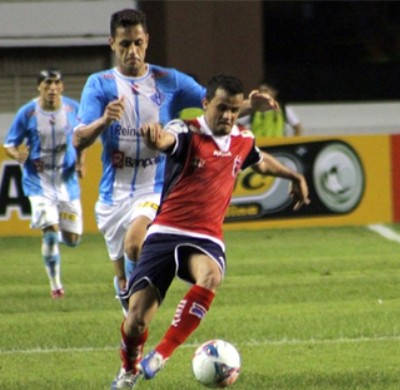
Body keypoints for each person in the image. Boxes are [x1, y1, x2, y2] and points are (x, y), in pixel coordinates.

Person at [110, 74, 310, 389]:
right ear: (205, 104)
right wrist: (154, 139)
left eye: (234, 109)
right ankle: (129, 368)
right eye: (221, 108)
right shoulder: (185, 130)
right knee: (135, 322)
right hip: (165, 230)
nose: (228, 116)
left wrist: (293, 176)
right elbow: (165, 140)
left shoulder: (243, 139)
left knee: (211, 276)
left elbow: (261, 162)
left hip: (205, 237)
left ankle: (162, 353)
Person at [72, 8, 276, 313]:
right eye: (125, 44)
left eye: (138, 43)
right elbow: (78, 139)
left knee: (134, 244)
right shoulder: (99, 85)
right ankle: (130, 304)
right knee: (123, 278)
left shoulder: (169, 81)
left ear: (147, 41)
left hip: (155, 189)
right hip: (113, 195)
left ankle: (138, 302)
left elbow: (216, 106)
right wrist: (103, 121)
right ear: (112, 43)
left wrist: (251, 106)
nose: (133, 51)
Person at [4, 68, 84, 299]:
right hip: (38, 183)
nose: (52, 88)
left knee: (72, 240)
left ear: (62, 87)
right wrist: (16, 154)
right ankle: (56, 285)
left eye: (56, 83)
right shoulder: (27, 113)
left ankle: (55, 230)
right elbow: (9, 144)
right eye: (47, 84)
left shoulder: (73, 109)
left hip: (66, 182)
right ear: (39, 87)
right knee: (50, 234)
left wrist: (81, 162)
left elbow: (82, 138)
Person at [237, 80, 303, 138]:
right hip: (259, 147)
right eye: (261, 91)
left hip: (278, 148)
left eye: (266, 91)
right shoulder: (253, 109)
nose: (263, 94)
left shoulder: (283, 109)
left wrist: (291, 144)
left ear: (275, 92)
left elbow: (297, 127)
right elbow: (238, 124)